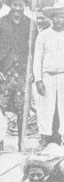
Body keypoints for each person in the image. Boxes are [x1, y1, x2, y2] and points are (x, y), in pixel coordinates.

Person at [0, 0, 37, 149]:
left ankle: (22, 143)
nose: (17, 8)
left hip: (23, 72)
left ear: (25, 6)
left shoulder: (31, 24)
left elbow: (36, 50)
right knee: (0, 108)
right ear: (10, 5)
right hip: (4, 72)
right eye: (14, 4)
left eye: (20, 5)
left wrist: (33, 72)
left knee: (23, 108)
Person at [33, 1, 64, 150]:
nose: (58, 20)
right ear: (51, 18)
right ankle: (44, 138)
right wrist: (38, 79)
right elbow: (37, 59)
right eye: (55, 17)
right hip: (47, 76)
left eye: (62, 17)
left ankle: (62, 138)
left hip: (63, 75)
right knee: (45, 108)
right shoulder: (44, 35)